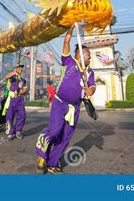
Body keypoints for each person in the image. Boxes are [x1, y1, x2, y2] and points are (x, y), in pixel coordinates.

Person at [35, 25, 96, 174]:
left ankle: (52, 163)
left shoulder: (89, 72)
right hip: (59, 104)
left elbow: (93, 87)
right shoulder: (68, 61)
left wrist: (91, 90)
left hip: (74, 108)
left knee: (65, 138)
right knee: (54, 131)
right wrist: (70, 26)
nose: (90, 57)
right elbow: (67, 41)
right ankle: (42, 151)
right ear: (79, 54)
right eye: (88, 54)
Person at [2, 64, 27, 140]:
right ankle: (10, 132)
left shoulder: (23, 80)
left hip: (19, 99)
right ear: (15, 68)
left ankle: (18, 130)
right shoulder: (12, 77)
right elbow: (6, 76)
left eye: (21, 68)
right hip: (11, 98)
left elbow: (24, 90)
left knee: (22, 115)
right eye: (19, 67)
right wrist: (14, 72)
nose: (20, 69)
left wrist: (20, 92)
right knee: (10, 116)